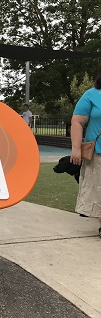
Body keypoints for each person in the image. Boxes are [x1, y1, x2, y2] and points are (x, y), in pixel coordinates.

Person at [70, 73, 101, 239]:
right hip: (98, 153)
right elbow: (77, 121)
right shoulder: (92, 94)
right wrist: (76, 148)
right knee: (98, 190)